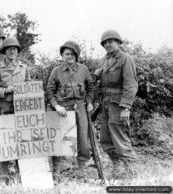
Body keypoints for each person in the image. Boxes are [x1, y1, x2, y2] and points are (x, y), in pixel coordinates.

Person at [47, 41, 94, 181]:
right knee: (60, 140)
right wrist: (56, 106)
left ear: (76, 55)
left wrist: (89, 102)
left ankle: (82, 169)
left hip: (80, 107)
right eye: (67, 54)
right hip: (63, 109)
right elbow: (49, 92)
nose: (70, 56)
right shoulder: (56, 71)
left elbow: (91, 88)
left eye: (73, 54)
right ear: (62, 55)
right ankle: (56, 171)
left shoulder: (83, 69)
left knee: (83, 140)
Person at [96, 30, 138, 178]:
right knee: (106, 139)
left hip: (118, 105)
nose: (107, 44)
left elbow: (131, 84)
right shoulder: (106, 60)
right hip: (105, 104)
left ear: (118, 42)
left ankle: (131, 172)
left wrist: (126, 107)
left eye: (110, 41)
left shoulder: (125, 59)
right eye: (104, 43)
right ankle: (117, 169)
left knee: (120, 138)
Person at [0, 37, 30, 176]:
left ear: (18, 51)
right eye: (9, 49)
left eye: (14, 49)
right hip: (4, 106)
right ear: (4, 51)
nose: (12, 51)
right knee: (7, 136)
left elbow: (29, 84)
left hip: (21, 106)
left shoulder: (23, 68)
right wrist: (6, 90)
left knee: (21, 136)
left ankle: (22, 166)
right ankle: (8, 168)